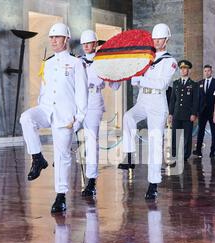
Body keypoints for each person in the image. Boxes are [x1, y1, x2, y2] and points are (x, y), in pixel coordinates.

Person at [20, 23, 88, 213]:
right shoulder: (47, 63)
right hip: (46, 109)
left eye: (57, 37)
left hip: (66, 116)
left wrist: (78, 119)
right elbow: (44, 87)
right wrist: (41, 104)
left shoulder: (76, 63)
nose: (54, 41)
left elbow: (82, 93)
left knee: (63, 156)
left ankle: (61, 196)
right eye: (51, 37)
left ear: (66, 39)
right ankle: (37, 157)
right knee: (26, 118)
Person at [118, 23, 177, 200]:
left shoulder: (170, 62)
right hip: (143, 100)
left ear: (166, 40)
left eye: (160, 39)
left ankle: (153, 184)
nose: (157, 42)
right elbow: (136, 77)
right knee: (128, 117)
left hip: (157, 103)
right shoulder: (146, 57)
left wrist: (141, 80)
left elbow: (161, 84)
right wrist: (134, 79)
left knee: (154, 141)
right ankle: (129, 155)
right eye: (155, 39)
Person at [79, 30, 121, 197]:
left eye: (89, 43)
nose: (86, 47)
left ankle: (91, 180)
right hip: (78, 101)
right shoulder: (77, 61)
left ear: (96, 44)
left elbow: (115, 86)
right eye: (84, 44)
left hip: (94, 101)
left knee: (91, 141)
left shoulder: (103, 62)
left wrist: (116, 73)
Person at [168, 60, 199, 162]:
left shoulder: (193, 84)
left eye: (185, 68)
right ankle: (174, 154)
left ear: (188, 70)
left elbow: (195, 101)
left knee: (187, 136)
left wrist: (194, 113)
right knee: (175, 135)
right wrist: (170, 113)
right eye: (181, 68)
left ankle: (185, 155)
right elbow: (173, 100)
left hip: (188, 114)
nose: (182, 70)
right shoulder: (176, 83)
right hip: (177, 114)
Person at [193, 64, 215, 158]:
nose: (207, 72)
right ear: (203, 72)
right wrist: (196, 112)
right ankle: (198, 151)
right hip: (202, 112)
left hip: (213, 112)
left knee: (214, 132)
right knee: (200, 131)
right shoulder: (199, 83)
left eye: (208, 71)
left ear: (211, 71)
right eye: (205, 71)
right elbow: (197, 98)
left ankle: (212, 151)